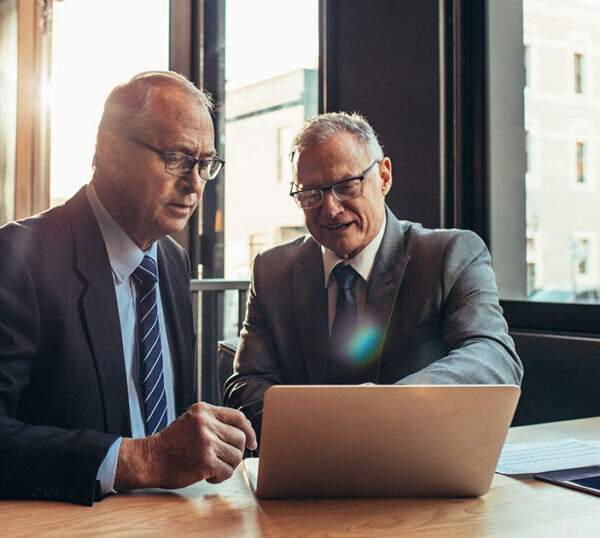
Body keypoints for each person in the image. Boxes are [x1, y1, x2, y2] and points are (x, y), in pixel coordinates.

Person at [0, 71, 256, 506]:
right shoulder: (15, 257)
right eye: (177, 158)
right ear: (110, 153)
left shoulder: (172, 261)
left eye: (206, 164)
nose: (195, 182)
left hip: (171, 518)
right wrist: (139, 460)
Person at [224, 111, 523, 444]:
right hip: (308, 468)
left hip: (418, 463)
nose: (331, 209)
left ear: (383, 177)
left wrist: (386, 406)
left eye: (346, 186)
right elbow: (247, 383)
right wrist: (316, 435)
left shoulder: (450, 255)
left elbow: (493, 358)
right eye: (311, 195)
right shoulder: (271, 270)